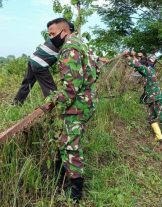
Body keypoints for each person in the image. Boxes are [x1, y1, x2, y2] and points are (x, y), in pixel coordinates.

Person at [41, 18, 98, 203]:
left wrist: (52, 102)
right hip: (86, 101)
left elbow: (70, 87)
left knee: (70, 146)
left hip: (77, 106)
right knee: (65, 141)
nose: (51, 38)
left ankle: (75, 194)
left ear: (64, 31)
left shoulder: (68, 49)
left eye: (52, 34)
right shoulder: (82, 44)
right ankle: (63, 178)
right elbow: (96, 70)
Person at [13, 21, 75, 105]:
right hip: (40, 64)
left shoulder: (52, 38)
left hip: (32, 60)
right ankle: (53, 108)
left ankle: (16, 104)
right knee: (51, 89)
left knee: (26, 84)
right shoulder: (62, 41)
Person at [124, 51, 162, 148]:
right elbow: (139, 65)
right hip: (151, 99)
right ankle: (159, 137)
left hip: (157, 99)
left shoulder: (149, 71)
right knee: (151, 118)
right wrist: (133, 56)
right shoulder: (147, 72)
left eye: (149, 61)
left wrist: (128, 56)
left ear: (150, 62)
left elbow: (138, 65)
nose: (148, 62)